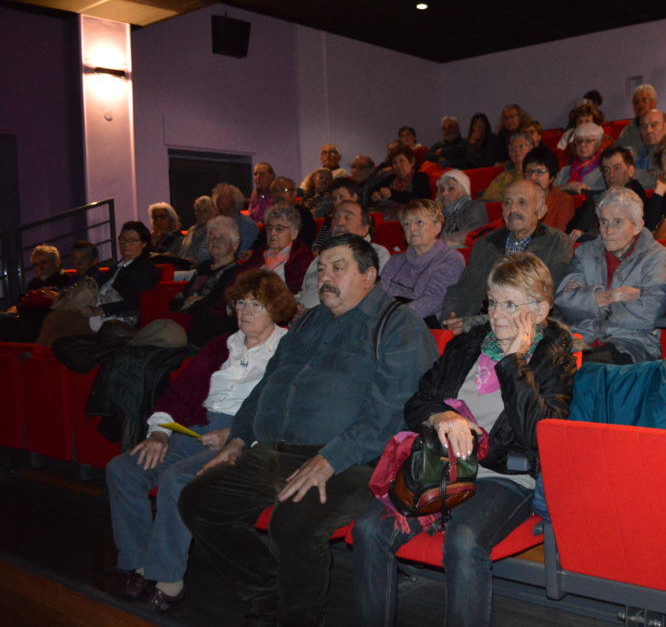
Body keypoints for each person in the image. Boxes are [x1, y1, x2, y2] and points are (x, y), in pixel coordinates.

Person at [178, 233, 437, 627]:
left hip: (353, 461)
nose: (325, 278)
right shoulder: (309, 321)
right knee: (199, 501)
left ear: (369, 276)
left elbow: (392, 412)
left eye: (338, 268)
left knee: (292, 525)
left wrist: (330, 458)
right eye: (321, 269)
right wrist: (238, 439)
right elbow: (268, 384)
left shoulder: (398, 326)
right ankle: (266, 592)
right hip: (274, 450)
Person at [352, 252, 576, 627]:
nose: (497, 314)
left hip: (504, 476)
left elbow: (539, 434)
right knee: (369, 529)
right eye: (492, 302)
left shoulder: (553, 356)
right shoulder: (468, 344)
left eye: (510, 304)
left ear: (540, 311)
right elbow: (418, 401)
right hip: (440, 467)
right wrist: (443, 415)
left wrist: (513, 361)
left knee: (464, 541)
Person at [105, 270, 295, 614]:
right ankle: (141, 566)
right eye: (242, 303)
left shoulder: (288, 348)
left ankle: (169, 582)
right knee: (123, 469)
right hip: (196, 428)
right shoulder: (220, 346)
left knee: (177, 479)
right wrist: (162, 431)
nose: (247, 311)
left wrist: (235, 433)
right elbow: (181, 392)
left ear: (275, 308)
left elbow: (282, 407)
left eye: (258, 304)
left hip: (246, 439)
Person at [556, 188, 666, 364]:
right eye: (603, 222)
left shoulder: (656, 256)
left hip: (630, 345)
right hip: (580, 340)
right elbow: (564, 301)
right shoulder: (584, 252)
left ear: (638, 226)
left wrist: (591, 300)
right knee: (542, 371)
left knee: (589, 371)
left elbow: (650, 312)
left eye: (617, 222)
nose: (607, 231)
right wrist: (614, 296)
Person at [441, 179, 573, 334]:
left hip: (530, 330)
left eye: (522, 203)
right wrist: (452, 315)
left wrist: (474, 323)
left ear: (541, 210)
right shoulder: (485, 245)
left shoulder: (556, 243)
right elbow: (462, 288)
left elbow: (545, 299)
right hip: (477, 329)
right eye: (507, 203)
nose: (513, 209)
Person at [379, 199, 465, 327]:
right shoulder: (395, 261)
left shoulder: (451, 259)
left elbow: (433, 300)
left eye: (419, 222)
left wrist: (394, 318)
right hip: (391, 322)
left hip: (425, 328)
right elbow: (380, 295)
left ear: (437, 227)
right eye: (407, 224)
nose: (412, 228)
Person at [168, 215, 242, 345]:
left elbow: (215, 303)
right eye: (211, 237)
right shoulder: (203, 267)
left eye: (221, 238)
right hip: (188, 320)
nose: (215, 241)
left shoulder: (236, 271)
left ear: (235, 245)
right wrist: (188, 302)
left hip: (210, 328)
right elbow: (178, 298)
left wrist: (192, 303)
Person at [82, 221, 160, 330]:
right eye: (122, 239)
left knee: (64, 322)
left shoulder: (144, 268)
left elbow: (138, 302)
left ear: (143, 244)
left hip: (120, 318)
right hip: (99, 311)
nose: (125, 244)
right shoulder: (116, 267)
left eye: (132, 241)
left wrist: (103, 309)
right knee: (61, 317)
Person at [568, 146, 648, 241]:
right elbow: (572, 231)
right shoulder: (593, 200)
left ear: (631, 171)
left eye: (617, 168)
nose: (611, 174)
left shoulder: (639, 199)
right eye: (606, 170)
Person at [237, 205, 314, 294]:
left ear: (294, 233)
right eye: (269, 228)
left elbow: (293, 294)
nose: (272, 233)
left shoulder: (301, 258)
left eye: (279, 229)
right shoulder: (259, 254)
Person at [524, 146, 575, 232]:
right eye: (529, 172)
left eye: (539, 172)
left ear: (552, 177)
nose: (532, 177)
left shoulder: (563, 201)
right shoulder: (517, 198)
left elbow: (560, 237)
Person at [435, 169, 488, 247]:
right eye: (442, 189)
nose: (444, 193)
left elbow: (477, 229)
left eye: (451, 189)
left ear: (463, 190)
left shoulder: (474, 206)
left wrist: (443, 241)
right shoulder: (441, 212)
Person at [370, 145, 431, 212]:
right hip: (387, 219)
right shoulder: (390, 179)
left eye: (401, 160)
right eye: (394, 162)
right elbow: (373, 190)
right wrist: (374, 195)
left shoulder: (420, 177)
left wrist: (393, 194)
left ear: (411, 162)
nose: (398, 165)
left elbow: (421, 200)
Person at [310, 178, 362, 253]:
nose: (338, 202)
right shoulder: (329, 220)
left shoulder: (363, 218)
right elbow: (317, 245)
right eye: (334, 199)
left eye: (342, 197)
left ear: (354, 197)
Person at [265, 176, 317, 249]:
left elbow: (305, 242)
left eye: (284, 190)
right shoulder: (271, 215)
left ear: (294, 193)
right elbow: (261, 241)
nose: (279, 194)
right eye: (275, 191)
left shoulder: (303, 214)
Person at [554, 121, 605, 193]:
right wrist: (567, 186)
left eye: (588, 141)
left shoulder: (603, 170)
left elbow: (602, 193)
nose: (583, 145)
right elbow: (551, 192)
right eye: (579, 141)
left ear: (598, 143)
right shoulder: (564, 171)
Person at [480, 130, 530, 202]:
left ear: (531, 149)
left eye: (521, 146)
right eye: (512, 148)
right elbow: (487, 198)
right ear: (509, 153)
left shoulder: (537, 174)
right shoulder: (504, 177)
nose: (517, 151)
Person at [631, 108, 666, 188]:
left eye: (654, 125)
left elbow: (661, 179)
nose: (648, 131)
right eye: (644, 127)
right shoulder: (639, 150)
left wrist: (632, 174)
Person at [213, 183, 258, 255]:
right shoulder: (215, 225)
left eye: (227, 209)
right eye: (220, 210)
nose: (224, 214)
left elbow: (240, 254)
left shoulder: (248, 226)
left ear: (237, 206)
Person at [613, 84, 658, 155]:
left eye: (644, 100)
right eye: (636, 102)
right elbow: (617, 151)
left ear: (654, 103)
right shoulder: (628, 131)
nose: (640, 104)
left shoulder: (665, 125)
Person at [177, 195, 216, 266]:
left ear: (213, 212)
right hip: (185, 267)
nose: (200, 214)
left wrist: (196, 261)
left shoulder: (216, 230)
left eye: (205, 210)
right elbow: (182, 253)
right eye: (198, 211)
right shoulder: (191, 230)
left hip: (204, 268)